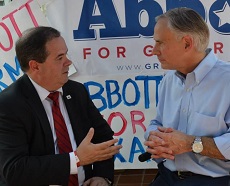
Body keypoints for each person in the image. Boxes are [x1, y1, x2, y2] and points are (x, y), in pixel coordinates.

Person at [0, 26, 122, 186]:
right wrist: (77, 159)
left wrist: (102, 177)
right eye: (59, 57)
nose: (68, 62)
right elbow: (14, 170)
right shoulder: (8, 105)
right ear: (35, 66)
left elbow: (103, 137)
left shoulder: (76, 91)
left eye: (66, 54)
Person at [144, 7, 230, 186]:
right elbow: (157, 122)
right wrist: (154, 138)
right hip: (166, 176)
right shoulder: (169, 80)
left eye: (160, 43)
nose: (153, 50)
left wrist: (192, 143)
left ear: (187, 43)